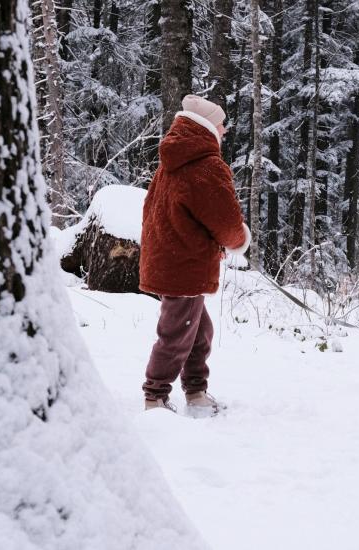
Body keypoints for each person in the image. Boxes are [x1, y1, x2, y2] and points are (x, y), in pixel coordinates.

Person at [139, 94, 250, 416]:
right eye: (221, 124)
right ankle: (155, 396)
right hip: (184, 264)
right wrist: (238, 240)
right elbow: (225, 221)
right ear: (206, 127)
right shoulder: (205, 166)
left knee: (198, 331)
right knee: (176, 335)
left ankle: (196, 391)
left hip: (172, 259)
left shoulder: (172, 163)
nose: (225, 130)